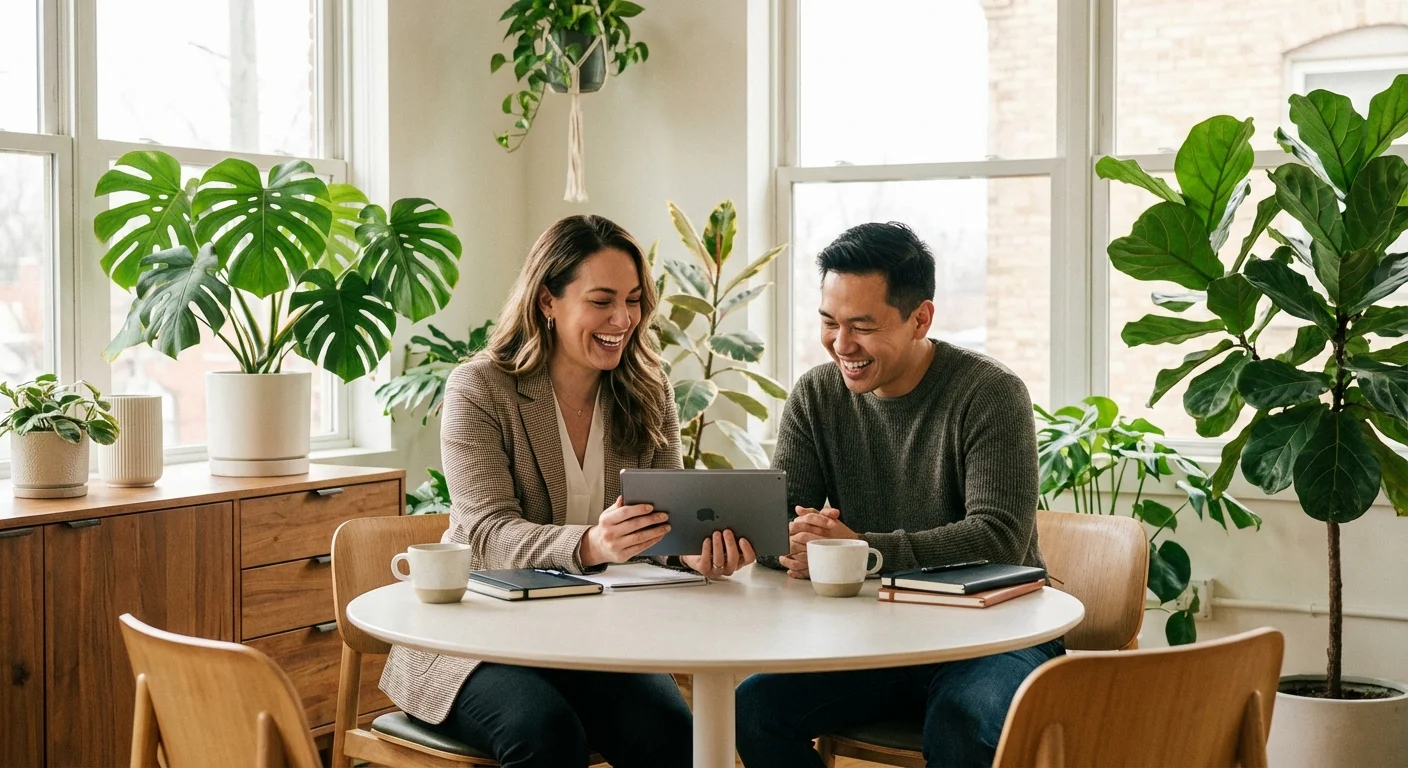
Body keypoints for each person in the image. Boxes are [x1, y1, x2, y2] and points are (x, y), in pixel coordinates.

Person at [380, 215, 755, 768]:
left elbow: (666, 532)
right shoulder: (480, 389)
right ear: (547, 301)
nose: (622, 319)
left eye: (632, 300)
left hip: (595, 640)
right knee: (547, 735)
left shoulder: (649, 393)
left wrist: (694, 553)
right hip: (478, 642)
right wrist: (591, 545)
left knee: (675, 738)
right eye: (601, 300)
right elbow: (485, 533)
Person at [734, 222, 1061, 768]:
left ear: (921, 318)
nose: (842, 345)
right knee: (753, 709)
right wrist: (794, 541)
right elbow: (780, 524)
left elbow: (999, 539)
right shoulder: (817, 396)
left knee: (964, 721)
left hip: (995, 634)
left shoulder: (990, 393)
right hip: (875, 638)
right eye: (829, 322)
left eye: (863, 326)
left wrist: (860, 551)